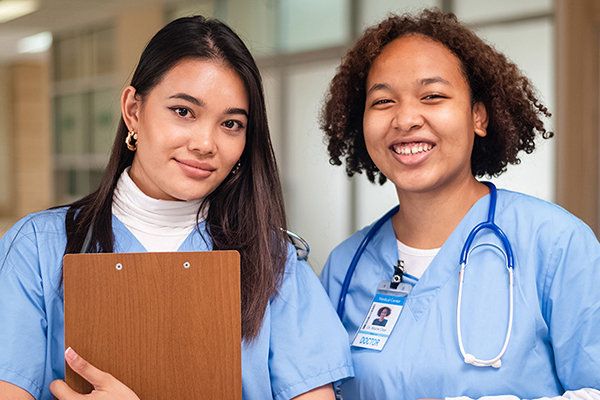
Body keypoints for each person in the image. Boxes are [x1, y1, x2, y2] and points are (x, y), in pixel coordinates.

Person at [0, 16, 352, 400]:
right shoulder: (38, 248)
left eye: (231, 123)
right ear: (133, 110)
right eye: (184, 111)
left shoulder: (275, 263)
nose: (205, 143)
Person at [319, 8, 600, 400]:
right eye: (383, 101)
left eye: (432, 96)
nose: (405, 118)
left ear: (478, 116)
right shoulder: (345, 267)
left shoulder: (556, 244)